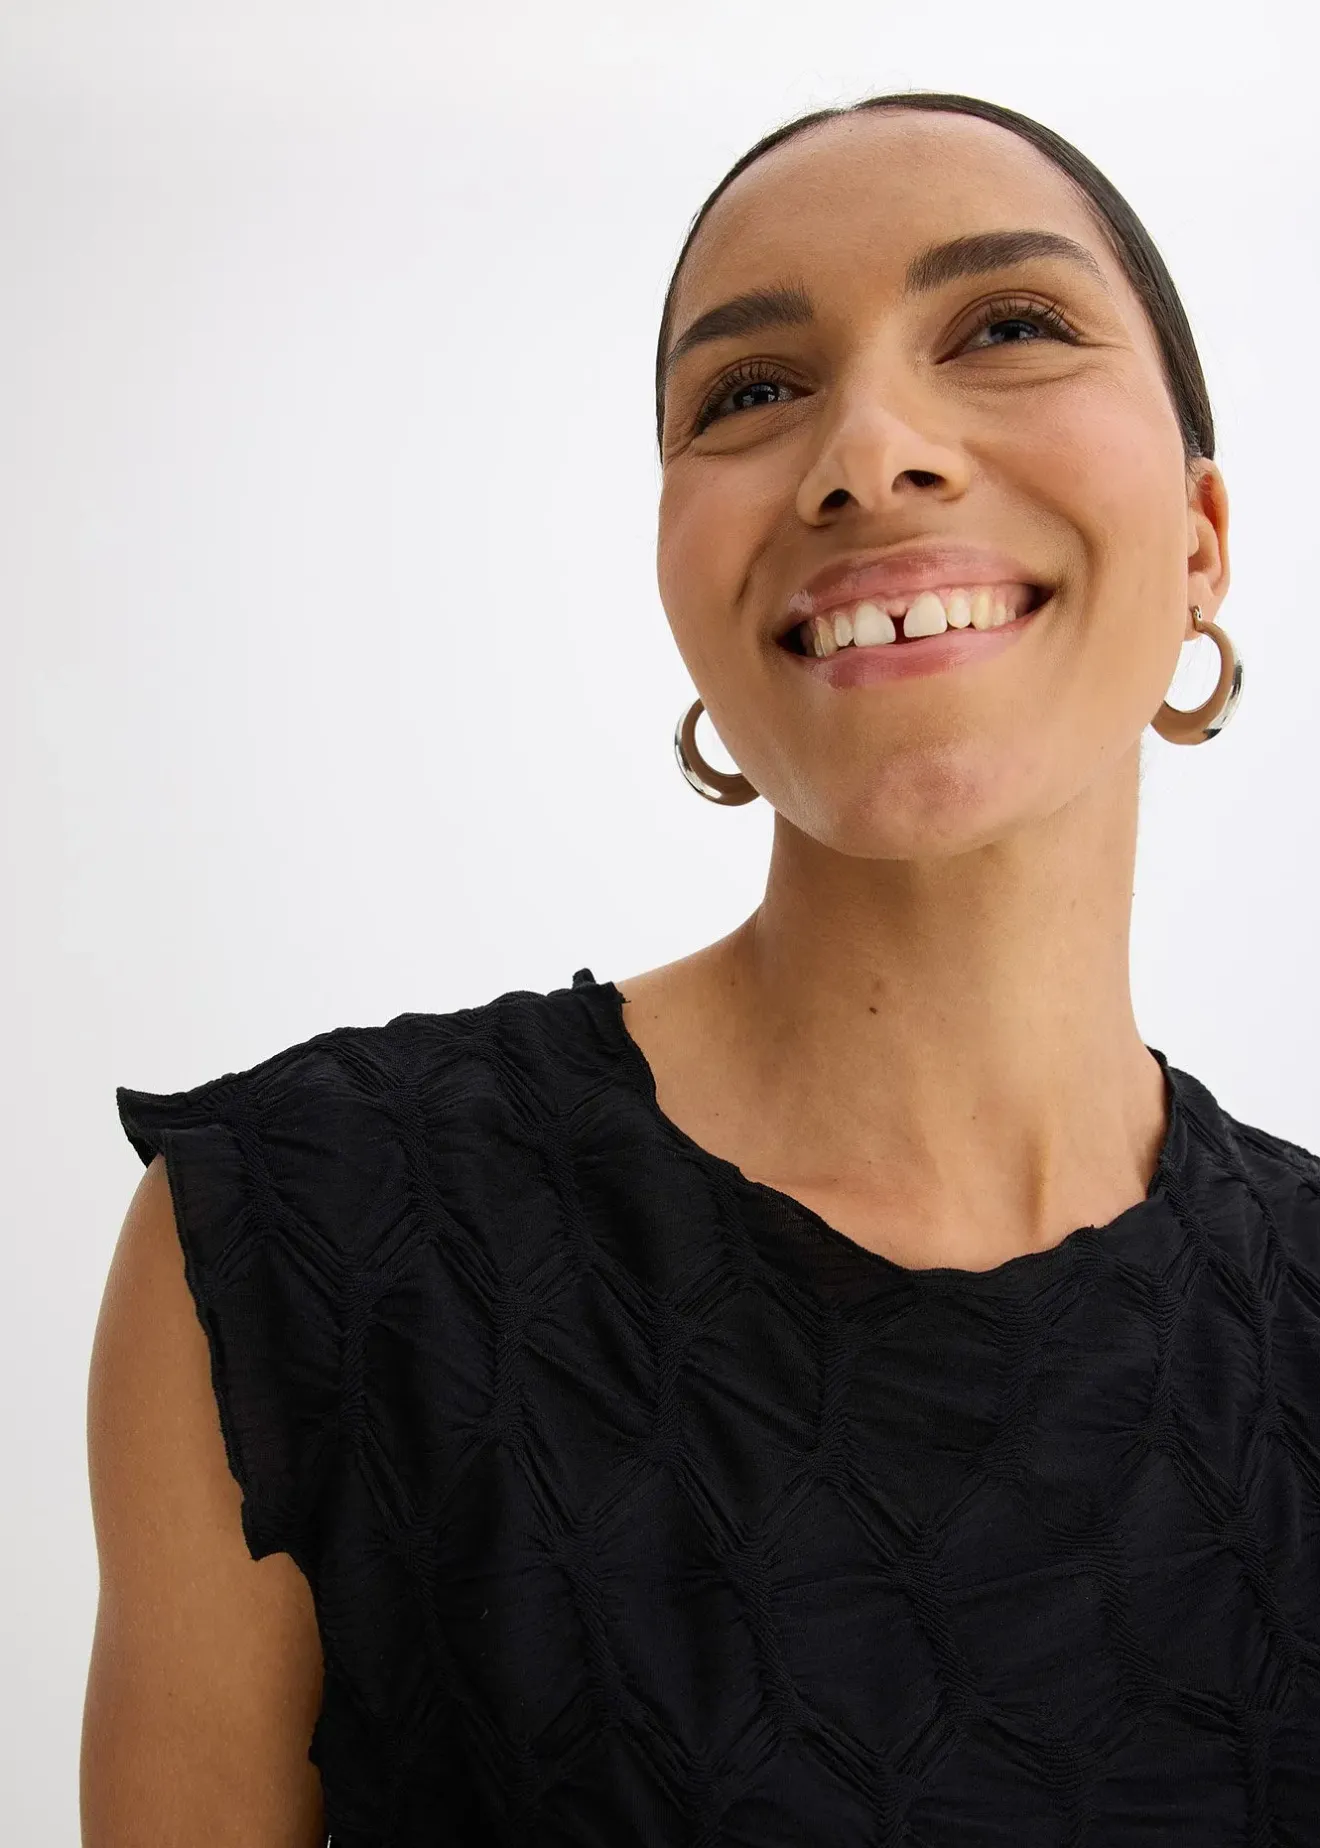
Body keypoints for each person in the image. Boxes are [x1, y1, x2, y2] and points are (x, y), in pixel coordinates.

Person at [82, 91, 1318, 1848]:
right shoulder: (312, 1244)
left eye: (1007, 327)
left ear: (1202, 536)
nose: (867, 451)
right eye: (748, 392)